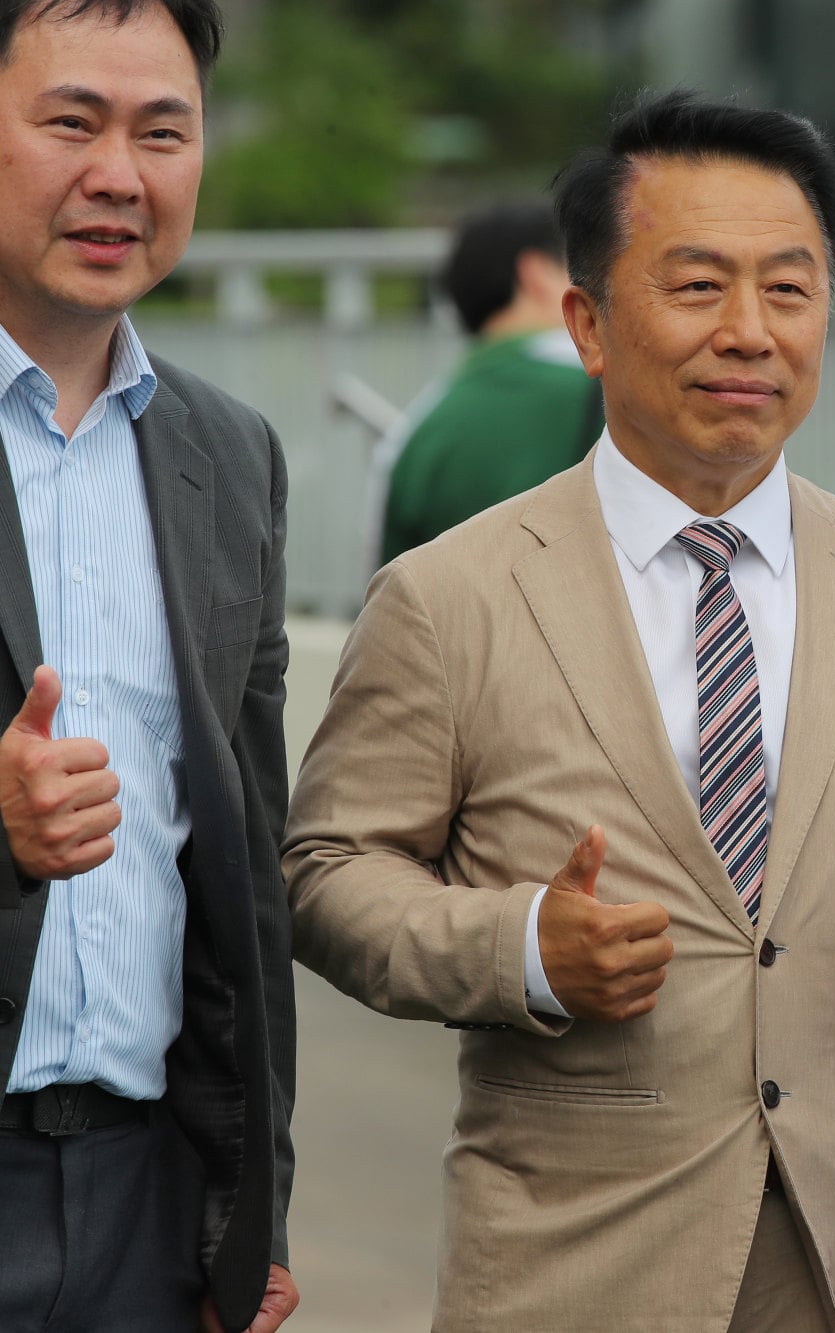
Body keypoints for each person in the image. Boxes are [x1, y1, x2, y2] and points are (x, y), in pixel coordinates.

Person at [284, 90, 835, 1333]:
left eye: (787, 290)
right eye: (696, 287)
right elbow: (325, 873)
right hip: (576, 1271)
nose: (747, 332)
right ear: (587, 324)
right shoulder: (451, 596)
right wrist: (525, 947)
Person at [0, 2, 296, 1331]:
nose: (119, 174)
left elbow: (247, 874)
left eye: (162, 133)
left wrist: (254, 1209)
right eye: (72, 123)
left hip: (149, 1202)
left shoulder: (230, 457)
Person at [372, 201, 604, 567]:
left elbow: (384, 580)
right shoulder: (609, 387)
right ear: (536, 274)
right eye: (583, 269)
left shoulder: (416, 427)